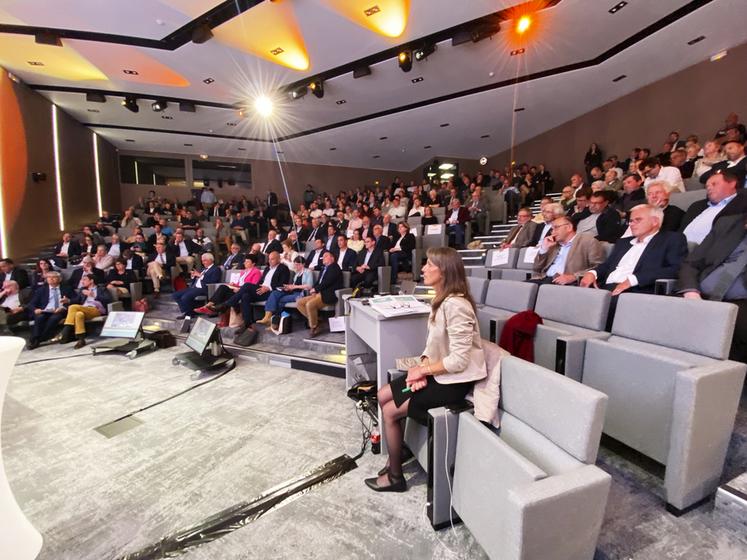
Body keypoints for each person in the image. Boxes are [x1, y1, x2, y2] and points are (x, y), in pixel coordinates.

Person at [365, 247, 486, 492]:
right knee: (381, 395)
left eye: (429, 264)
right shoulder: (440, 301)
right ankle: (401, 452)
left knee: (389, 411)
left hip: (452, 382)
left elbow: (459, 361)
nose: (423, 269)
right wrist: (420, 367)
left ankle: (395, 476)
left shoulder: (457, 306)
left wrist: (424, 372)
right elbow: (433, 347)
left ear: (445, 271)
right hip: (438, 374)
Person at [580, 205, 688, 327]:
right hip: (604, 287)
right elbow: (607, 265)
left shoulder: (671, 239)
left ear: (655, 221)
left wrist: (633, 279)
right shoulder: (623, 242)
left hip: (636, 289)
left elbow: (675, 269)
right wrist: (592, 273)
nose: (631, 224)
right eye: (631, 221)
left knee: (595, 304)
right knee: (573, 293)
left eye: (638, 220)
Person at [678, 212, 747, 362]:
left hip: (741, 302)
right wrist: (690, 290)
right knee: (662, 313)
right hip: (699, 294)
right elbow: (691, 263)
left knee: (736, 329)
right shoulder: (726, 224)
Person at [216, 252, 290, 332]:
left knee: (247, 285)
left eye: (272, 259)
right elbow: (261, 281)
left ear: (279, 259)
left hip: (271, 292)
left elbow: (283, 284)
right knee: (245, 296)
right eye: (269, 259)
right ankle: (247, 324)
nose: (270, 261)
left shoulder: (283, 268)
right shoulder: (267, 268)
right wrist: (260, 287)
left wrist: (268, 288)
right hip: (260, 290)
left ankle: (227, 305)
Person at [531, 217, 605, 284]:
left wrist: (574, 277)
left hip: (564, 283)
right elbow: (536, 268)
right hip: (543, 279)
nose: (552, 232)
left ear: (569, 227)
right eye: (551, 229)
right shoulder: (553, 244)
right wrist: (544, 249)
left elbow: (598, 267)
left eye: (556, 227)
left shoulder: (588, 241)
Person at [681, 170, 747, 244]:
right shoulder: (696, 206)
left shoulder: (743, 203)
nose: (708, 188)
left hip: (710, 250)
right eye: (707, 186)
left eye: (714, 184)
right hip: (678, 247)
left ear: (732, 183)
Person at [194, 255, 262, 325]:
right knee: (223, 287)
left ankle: (220, 316)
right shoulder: (243, 271)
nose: (245, 263)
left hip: (244, 293)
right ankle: (209, 305)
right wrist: (233, 285)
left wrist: (239, 289)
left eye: (247, 262)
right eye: (245, 261)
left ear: (253, 263)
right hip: (237, 291)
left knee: (224, 295)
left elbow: (252, 286)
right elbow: (239, 283)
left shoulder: (256, 272)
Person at [59, 273, 113, 349]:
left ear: (91, 281)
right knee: (78, 314)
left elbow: (108, 299)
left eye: (84, 279)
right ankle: (81, 339)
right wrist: (68, 300)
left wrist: (94, 295)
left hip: (96, 309)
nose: (82, 281)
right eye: (82, 279)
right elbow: (77, 300)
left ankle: (67, 328)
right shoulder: (82, 290)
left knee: (73, 307)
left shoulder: (101, 289)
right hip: (84, 309)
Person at [296, 252, 343, 337]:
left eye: (326, 256)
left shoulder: (335, 267)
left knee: (310, 304)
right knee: (299, 303)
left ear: (332, 258)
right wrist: (314, 289)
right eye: (323, 256)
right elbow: (319, 282)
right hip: (319, 293)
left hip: (328, 294)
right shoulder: (324, 268)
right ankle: (317, 321)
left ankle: (313, 327)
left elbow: (327, 282)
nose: (323, 258)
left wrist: (316, 289)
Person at [258, 256, 314, 327]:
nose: (296, 267)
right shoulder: (297, 274)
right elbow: (294, 286)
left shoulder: (308, 272)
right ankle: (274, 322)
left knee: (279, 300)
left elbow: (309, 286)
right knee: (277, 297)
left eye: (297, 265)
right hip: (294, 292)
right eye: (295, 265)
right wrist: (288, 287)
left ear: (302, 264)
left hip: (302, 294)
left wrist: (294, 287)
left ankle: (274, 322)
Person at [27, 271, 74, 349]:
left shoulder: (67, 288)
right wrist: (35, 309)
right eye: (49, 277)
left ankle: (37, 340)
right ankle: (38, 338)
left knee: (54, 318)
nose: (51, 279)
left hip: (60, 310)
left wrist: (65, 306)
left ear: (60, 279)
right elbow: (31, 304)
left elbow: (75, 300)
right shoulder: (41, 290)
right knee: (39, 317)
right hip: (45, 310)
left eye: (54, 277)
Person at [172, 253, 222, 319]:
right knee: (175, 295)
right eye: (202, 261)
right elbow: (197, 279)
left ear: (211, 260)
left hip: (204, 288)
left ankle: (188, 314)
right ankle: (189, 311)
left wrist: (200, 275)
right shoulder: (203, 269)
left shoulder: (216, 269)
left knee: (185, 297)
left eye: (205, 260)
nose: (203, 262)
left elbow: (213, 281)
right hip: (194, 287)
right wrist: (193, 276)